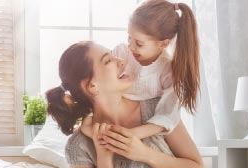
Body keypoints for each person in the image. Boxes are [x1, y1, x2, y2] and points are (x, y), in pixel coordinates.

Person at [45, 41, 239, 168]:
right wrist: (104, 157)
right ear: (92, 86)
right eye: (108, 61)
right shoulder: (78, 146)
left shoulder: (157, 109)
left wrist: (143, 153)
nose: (121, 61)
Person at [81, 0, 200, 140]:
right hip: (112, 119)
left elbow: (168, 113)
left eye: (139, 43)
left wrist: (135, 133)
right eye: (129, 37)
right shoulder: (121, 52)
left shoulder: (168, 71)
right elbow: (100, 85)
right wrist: (87, 117)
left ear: (163, 44)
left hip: (145, 130)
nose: (130, 46)